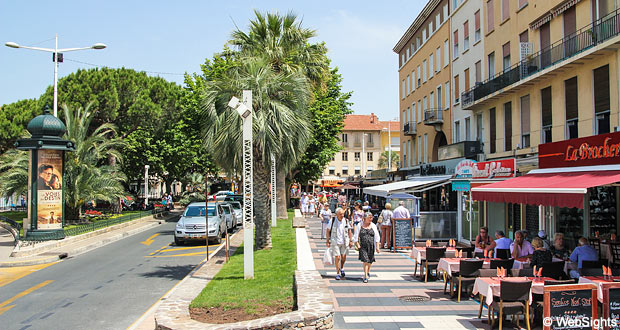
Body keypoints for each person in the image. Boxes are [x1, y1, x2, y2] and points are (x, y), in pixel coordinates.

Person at [353, 211, 381, 283]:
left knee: (370, 261)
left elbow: (377, 237)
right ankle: (365, 276)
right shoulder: (360, 225)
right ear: (364, 218)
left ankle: (368, 271)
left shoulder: (373, 226)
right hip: (363, 246)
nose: (371, 219)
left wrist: (377, 247)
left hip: (371, 246)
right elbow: (356, 236)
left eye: (371, 218)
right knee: (365, 260)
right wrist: (357, 244)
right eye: (369, 218)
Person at [326, 208, 353, 280]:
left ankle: (342, 268)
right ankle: (337, 273)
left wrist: (351, 240)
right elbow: (328, 231)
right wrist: (327, 240)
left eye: (343, 214)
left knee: (343, 257)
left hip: (344, 241)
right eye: (340, 214)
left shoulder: (346, 221)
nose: (342, 215)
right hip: (335, 241)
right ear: (337, 214)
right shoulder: (333, 221)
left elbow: (350, 231)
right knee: (337, 257)